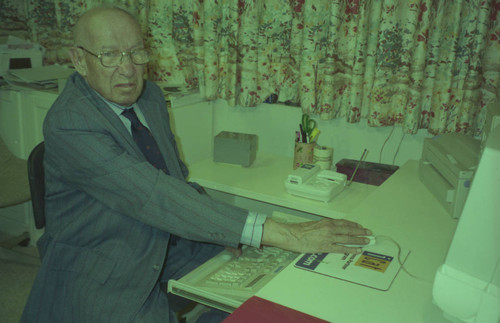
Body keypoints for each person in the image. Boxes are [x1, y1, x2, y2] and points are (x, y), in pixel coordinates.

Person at [21, 6, 372, 323]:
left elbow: (175, 181)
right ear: (79, 60)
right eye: (109, 55)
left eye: (136, 53)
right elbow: (154, 195)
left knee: (277, 291)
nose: (127, 69)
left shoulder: (151, 97)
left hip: (171, 241)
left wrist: (222, 230)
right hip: (105, 265)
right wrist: (283, 232)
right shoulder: (68, 123)